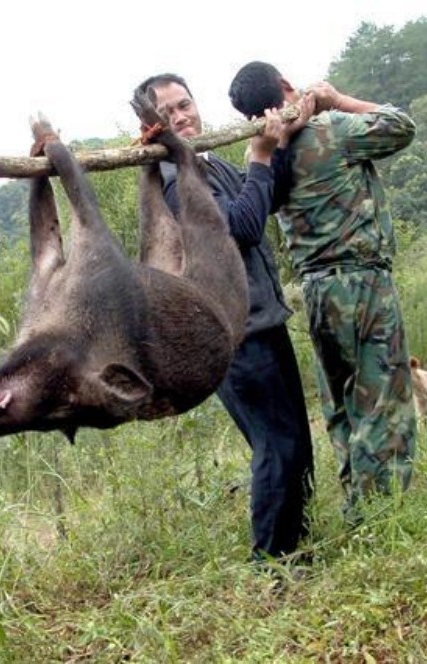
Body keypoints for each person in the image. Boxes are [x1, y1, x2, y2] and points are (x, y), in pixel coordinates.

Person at [134, 73, 315, 565]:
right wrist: (257, 158)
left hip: (263, 322)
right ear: (151, 124)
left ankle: (300, 548)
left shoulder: (206, 166)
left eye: (184, 104)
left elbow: (265, 199)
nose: (181, 117)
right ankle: (272, 565)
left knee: (292, 442)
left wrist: (277, 144)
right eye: (167, 113)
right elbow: (241, 229)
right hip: (238, 336)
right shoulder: (175, 182)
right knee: (277, 446)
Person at [228, 61, 417, 525]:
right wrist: (336, 99)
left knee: (342, 404)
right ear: (287, 88)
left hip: (314, 291)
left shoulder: (267, 158)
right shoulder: (332, 130)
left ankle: (357, 499)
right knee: (381, 403)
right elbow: (401, 126)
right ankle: (379, 518)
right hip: (363, 281)